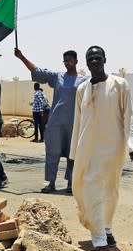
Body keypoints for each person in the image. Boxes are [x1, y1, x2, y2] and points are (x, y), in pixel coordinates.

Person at [69, 46, 133, 251]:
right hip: (88, 151)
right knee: (91, 191)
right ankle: (99, 238)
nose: (94, 61)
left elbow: (129, 116)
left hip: (113, 150)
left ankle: (107, 228)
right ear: (86, 62)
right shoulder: (82, 89)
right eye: (90, 58)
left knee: (110, 192)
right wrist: (73, 155)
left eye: (97, 57)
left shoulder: (119, 85)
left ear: (104, 59)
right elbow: (77, 123)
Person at [15, 48, 87, 193]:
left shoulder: (84, 81)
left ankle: (71, 184)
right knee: (52, 152)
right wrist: (22, 57)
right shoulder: (57, 77)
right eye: (65, 60)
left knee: (73, 154)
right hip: (56, 122)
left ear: (76, 61)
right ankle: (51, 183)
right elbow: (38, 72)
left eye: (70, 60)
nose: (67, 63)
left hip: (75, 123)